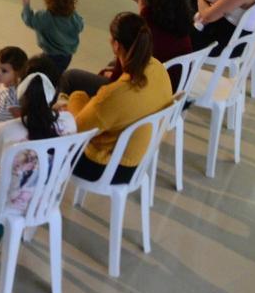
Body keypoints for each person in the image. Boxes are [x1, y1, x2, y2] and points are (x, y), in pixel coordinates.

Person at [0, 72, 76, 257]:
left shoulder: (8, 130)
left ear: (21, 100)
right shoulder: (68, 122)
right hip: (47, 197)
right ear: (52, 97)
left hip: (11, 200)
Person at [64, 12, 173, 186]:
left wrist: (77, 98)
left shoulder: (114, 95)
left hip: (106, 167)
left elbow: (76, 129)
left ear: (116, 45)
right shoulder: (158, 68)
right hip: (141, 156)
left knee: (53, 131)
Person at [58, 0, 192, 97]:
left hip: (141, 95)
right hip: (169, 93)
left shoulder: (141, 29)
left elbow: (120, 80)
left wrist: (113, 75)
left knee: (69, 78)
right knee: (113, 61)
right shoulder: (175, 18)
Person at [21, 0, 84, 73]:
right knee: (56, 73)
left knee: (40, 72)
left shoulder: (45, 16)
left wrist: (26, 6)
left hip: (50, 55)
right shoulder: (73, 16)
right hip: (66, 56)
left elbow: (29, 20)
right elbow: (80, 26)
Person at [0, 45, 27, 128]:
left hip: (6, 131)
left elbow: (20, 119)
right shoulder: (5, 83)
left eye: (4, 71)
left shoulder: (12, 95)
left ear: (18, 73)